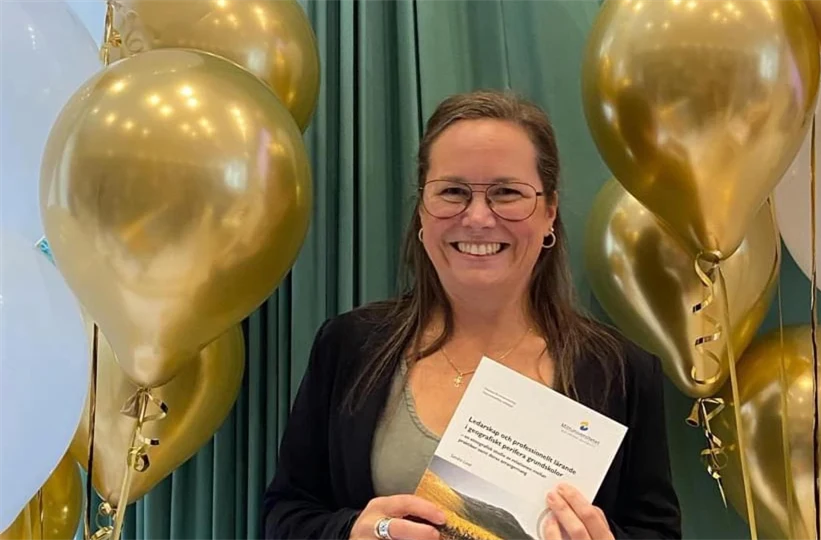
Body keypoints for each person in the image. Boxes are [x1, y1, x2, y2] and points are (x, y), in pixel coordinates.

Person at [262, 89, 682, 540]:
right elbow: (285, 513)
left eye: (506, 192)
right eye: (453, 192)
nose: (478, 218)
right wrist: (352, 532)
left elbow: (656, 531)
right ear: (422, 211)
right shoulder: (349, 345)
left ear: (549, 213)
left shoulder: (622, 372)